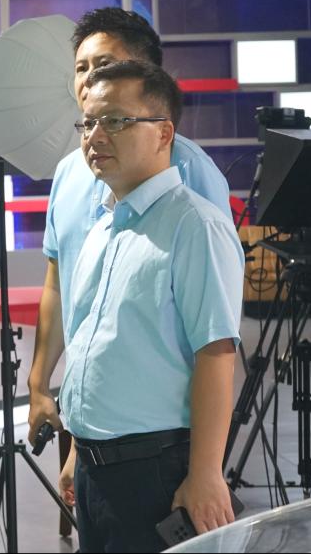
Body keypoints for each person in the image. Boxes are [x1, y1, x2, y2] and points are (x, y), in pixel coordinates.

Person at [27, 8, 232, 506]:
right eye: (81, 68)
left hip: (156, 437)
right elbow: (62, 287)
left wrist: (206, 469)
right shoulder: (78, 180)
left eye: (105, 65)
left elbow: (213, 338)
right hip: (96, 427)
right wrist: (43, 386)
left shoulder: (191, 185)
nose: (89, 79)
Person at [60, 59, 243, 551]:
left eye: (116, 121)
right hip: (96, 471)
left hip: (154, 472)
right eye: (88, 123)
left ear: (164, 133)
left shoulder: (195, 226)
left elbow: (216, 353)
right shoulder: (103, 227)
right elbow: (92, 347)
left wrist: (206, 473)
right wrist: (77, 449)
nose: (96, 136)